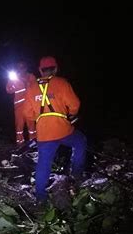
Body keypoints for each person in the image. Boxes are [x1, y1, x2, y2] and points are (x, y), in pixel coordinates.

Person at [23, 56, 87, 202]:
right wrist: (70, 114)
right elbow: (75, 105)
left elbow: (27, 113)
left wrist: (40, 118)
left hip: (44, 134)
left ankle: (40, 198)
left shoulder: (32, 87)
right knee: (80, 141)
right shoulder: (62, 83)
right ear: (56, 69)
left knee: (43, 163)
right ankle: (76, 175)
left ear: (40, 70)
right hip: (63, 129)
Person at [6, 60, 37, 145]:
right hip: (19, 107)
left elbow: (36, 88)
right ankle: (20, 145)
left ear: (26, 68)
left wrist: (27, 83)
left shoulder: (31, 76)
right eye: (19, 68)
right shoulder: (14, 78)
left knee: (31, 126)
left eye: (22, 67)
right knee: (19, 128)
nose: (21, 69)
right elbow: (8, 90)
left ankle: (33, 145)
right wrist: (11, 81)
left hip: (30, 106)